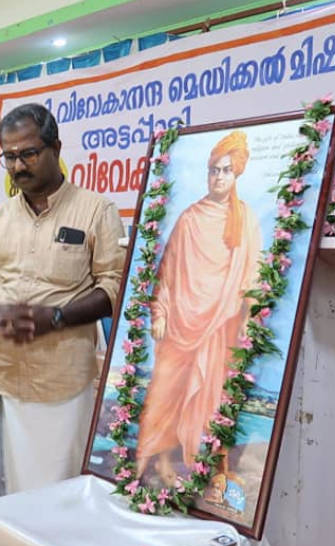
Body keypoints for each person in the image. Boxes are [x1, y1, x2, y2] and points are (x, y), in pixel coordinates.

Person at [0, 103, 126, 501]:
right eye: (10, 157)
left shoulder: (96, 210)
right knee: (5, 496)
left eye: (29, 153)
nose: (18, 166)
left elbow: (114, 287)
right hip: (6, 378)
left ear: (55, 147)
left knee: (58, 497)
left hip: (63, 382)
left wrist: (57, 317)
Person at [135, 130, 262, 483]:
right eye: (213, 170)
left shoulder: (246, 220)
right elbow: (167, 275)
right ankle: (160, 463)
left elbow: (252, 274)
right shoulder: (189, 219)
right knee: (165, 395)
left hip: (221, 326)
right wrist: (159, 314)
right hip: (179, 326)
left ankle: (211, 469)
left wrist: (248, 319)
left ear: (236, 175)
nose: (218, 177)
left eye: (225, 170)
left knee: (211, 398)